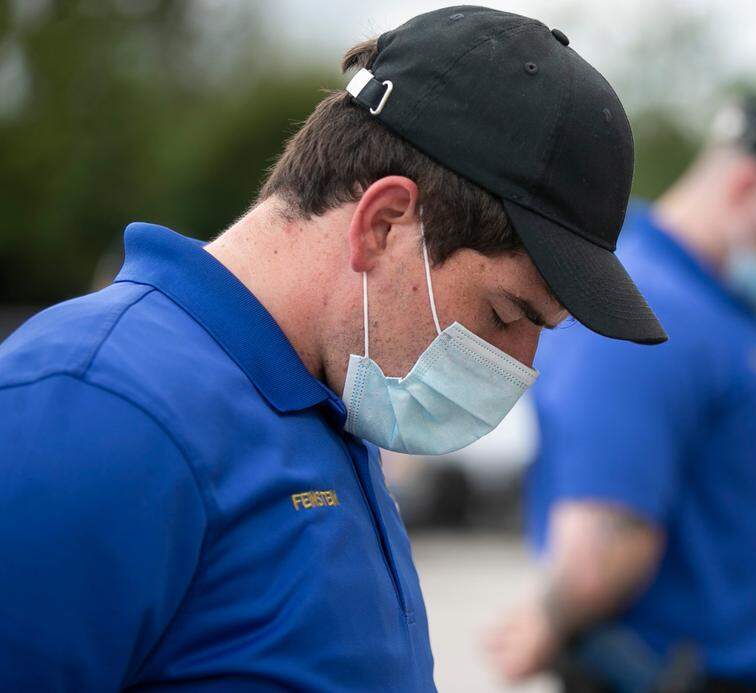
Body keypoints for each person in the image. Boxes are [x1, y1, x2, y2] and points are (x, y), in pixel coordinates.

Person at [0, 7, 666, 690]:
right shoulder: (94, 404)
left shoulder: (331, 397)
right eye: (505, 313)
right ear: (382, 224)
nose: (521, 362)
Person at [487, 96, 756, 692]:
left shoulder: (724, 306)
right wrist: (552, 616)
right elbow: (602, 542)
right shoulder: (649, 312)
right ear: (747, 187)